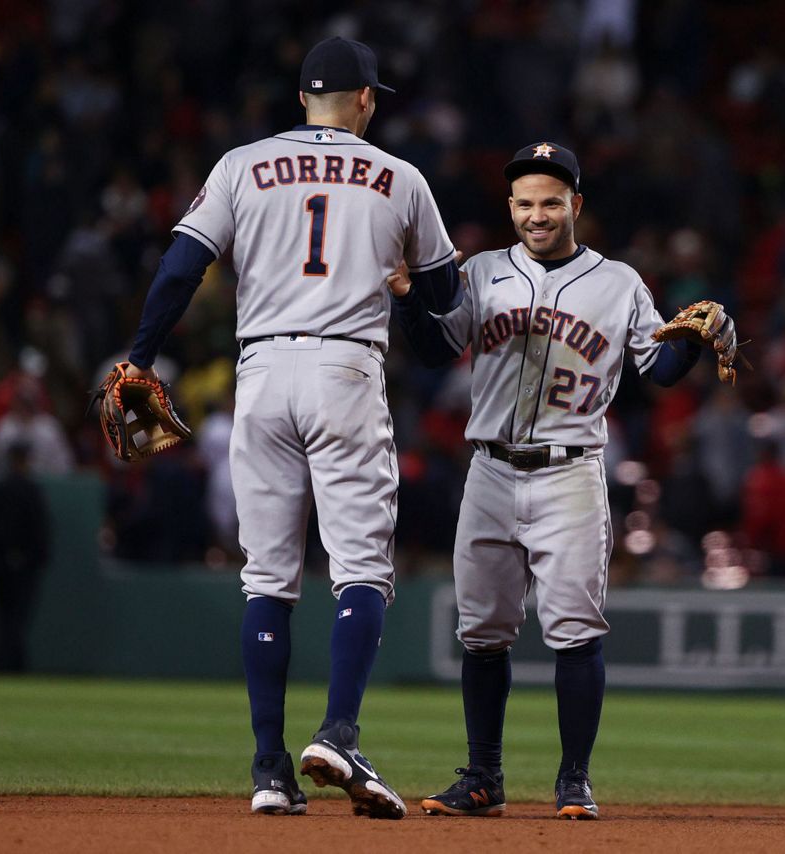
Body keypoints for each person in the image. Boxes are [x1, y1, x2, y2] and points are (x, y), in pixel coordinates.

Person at [122, 37, 460, 819]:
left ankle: (269, 770)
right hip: (346, 370)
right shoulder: (400, 178)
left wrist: (140, 357)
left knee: (267, 577)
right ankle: (339, 730)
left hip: (261, 375)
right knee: (362, 570)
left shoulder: (242, 164)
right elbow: (442, 300)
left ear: (302, 98)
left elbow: (180, 267)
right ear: (366, 100)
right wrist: (407, 287)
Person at [389, 142, 734, 820]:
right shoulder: (484, 271)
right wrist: (406, 297)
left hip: (569, 473)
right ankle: (483, 777)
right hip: (487, 468)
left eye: (551, 202)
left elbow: (657, 373)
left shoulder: (620, 283)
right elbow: (435, 349)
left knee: (576, 631)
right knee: (482, 632)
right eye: (525, 203)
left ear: (576, 204)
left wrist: (691, 344)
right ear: (510, 207)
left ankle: (574, 779)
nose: (538, 215)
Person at [0, 442, 51, 672]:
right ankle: (9, 665)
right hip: (23, 565)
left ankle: (4, 663)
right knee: (16, 618)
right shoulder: (29, 491)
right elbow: (40, 532)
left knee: (4, 617)